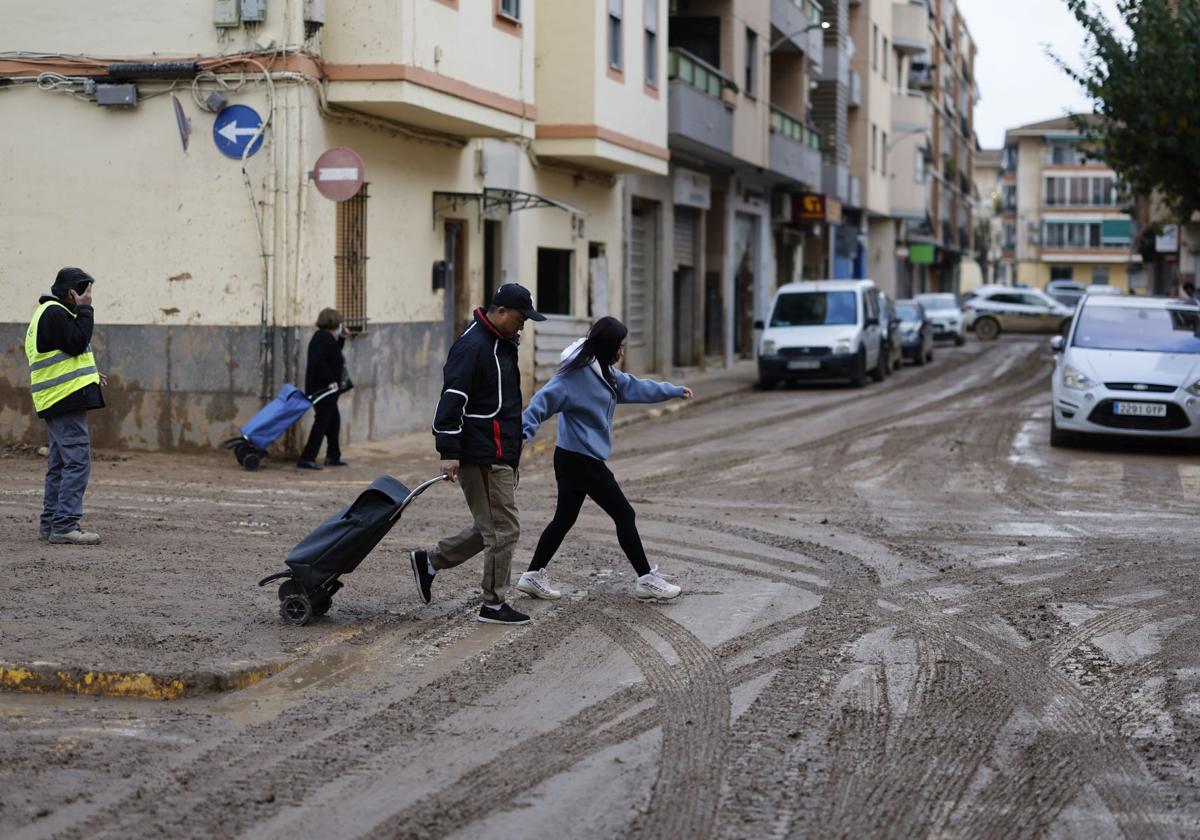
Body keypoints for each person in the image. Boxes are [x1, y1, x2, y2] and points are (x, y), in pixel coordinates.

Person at [518, 316, 692, 602]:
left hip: (575, 457)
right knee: (624, 513)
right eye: (620, 346)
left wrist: (672, 391)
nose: (622, 351)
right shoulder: (573, 376)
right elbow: (542, 401)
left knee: (563, 519)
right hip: (579, 459)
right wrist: (524, 433)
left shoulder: (605, 373)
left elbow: (635, 387)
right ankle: (646, 579)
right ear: (608, 346)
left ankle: (533, 574)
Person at [409, 284, 545, 625]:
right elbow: (452, 399)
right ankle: (494, 604)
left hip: (500, 450)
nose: (522, 326)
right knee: (504, 529)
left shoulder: (500, 343)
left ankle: (430, 562)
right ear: (500, 312)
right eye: (519, 319)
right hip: (482, 453)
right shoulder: (474, 345)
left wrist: (516, 442)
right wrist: (449, 450)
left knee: (491, 525)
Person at [26, 267, 106, 545]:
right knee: (76, 461)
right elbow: (76, 342)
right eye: (85, 291)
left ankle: (51, 524)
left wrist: (91, 375)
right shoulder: (55, 313)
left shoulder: (50, 314)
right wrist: (86, 310)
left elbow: (66, 351)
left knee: (60, 463)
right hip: (63, 399)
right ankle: (64, 524)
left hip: (58, 398)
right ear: (72, 292)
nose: (89, 296)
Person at [298, 307, 351, 470]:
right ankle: (307, 458)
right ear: (333, 323)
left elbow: (332, 355)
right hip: (323, 390)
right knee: (322, 422)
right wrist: (330, 381)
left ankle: (333, 456)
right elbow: (319, 362)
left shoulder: (325, 338)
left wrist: (342, 339)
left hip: (325, 390)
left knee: (333, 422)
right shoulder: (323, 338)